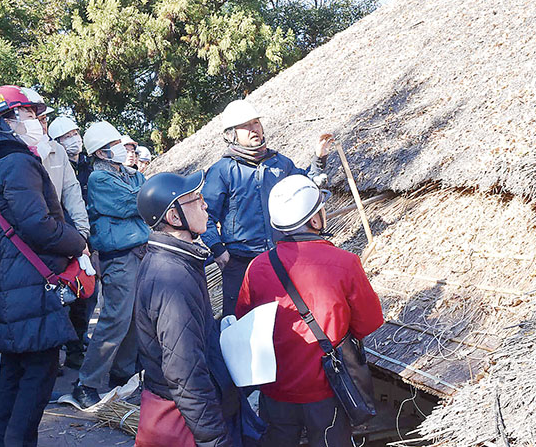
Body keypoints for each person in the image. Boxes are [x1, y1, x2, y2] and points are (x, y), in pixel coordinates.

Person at [0, 86, 86, 446]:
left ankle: (6, 439)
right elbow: (38, 224)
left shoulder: (1, 164)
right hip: (29, 284)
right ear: (6, 122)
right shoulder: (20, 163)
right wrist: (77, 242)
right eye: (28, 114)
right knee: (38, 374)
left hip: (13, 279)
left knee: (15, 372)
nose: (37, 122)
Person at [236, 175, 384, 447]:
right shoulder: (345, 263)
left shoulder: (257, 267)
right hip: (327, 392)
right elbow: (369, 322)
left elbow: (245, 324)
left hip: (275, 391)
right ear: (315, 220)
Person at [134, 171, 242, 447]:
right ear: (173, 217)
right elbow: (184, 370)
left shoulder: (170, 260)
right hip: (183, 418)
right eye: (196, 199)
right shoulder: (173, 277)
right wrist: (213, 438)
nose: (205, 205)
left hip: (179, 404)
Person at [202, 99, 333, 316]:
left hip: (282, 255)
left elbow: (306, 188)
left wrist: (319, 160)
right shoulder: (222, 171)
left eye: (256, 123)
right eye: (246, 126)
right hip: (240, 262)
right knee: (238, 323)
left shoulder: (279, 163)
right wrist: (218, 250)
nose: (254, 129)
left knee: (290, 318)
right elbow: (204, 216)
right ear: (232, 134)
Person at [71, 121, 148, 408]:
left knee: (135, 318)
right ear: (101, 153)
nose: (123, 149)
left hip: (140, 251)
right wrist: (144, 199)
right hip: (119, 256)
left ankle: (123, 375)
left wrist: (143, 199)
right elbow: (133, 204)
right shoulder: (98, 180)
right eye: (116, 145)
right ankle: (86, 383)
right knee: (115, 319)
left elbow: (143, 200)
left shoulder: (131, 175)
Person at [21, 89, 92, 370]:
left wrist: (83, 236)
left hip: (60, 238)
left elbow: (72, 193)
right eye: (33, 115)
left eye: (43, 117)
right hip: (26, 244)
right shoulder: (13, 156)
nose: (41, 122)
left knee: (74, 299)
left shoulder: (57, 151)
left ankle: (69, 352)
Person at [48, 116, 91, 200]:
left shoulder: (89, 163)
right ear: (57, 142)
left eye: (75, 134)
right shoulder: (56, 168)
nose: (74, 139)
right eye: (67, 137)